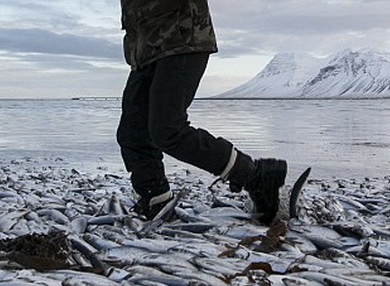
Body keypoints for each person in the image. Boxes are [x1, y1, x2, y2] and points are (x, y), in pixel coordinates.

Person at [117, 0, 287, 226]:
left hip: (182, 38)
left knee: (167, 130)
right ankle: (156, 201)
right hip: (145, 47)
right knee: (132, 134)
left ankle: (256, 176)